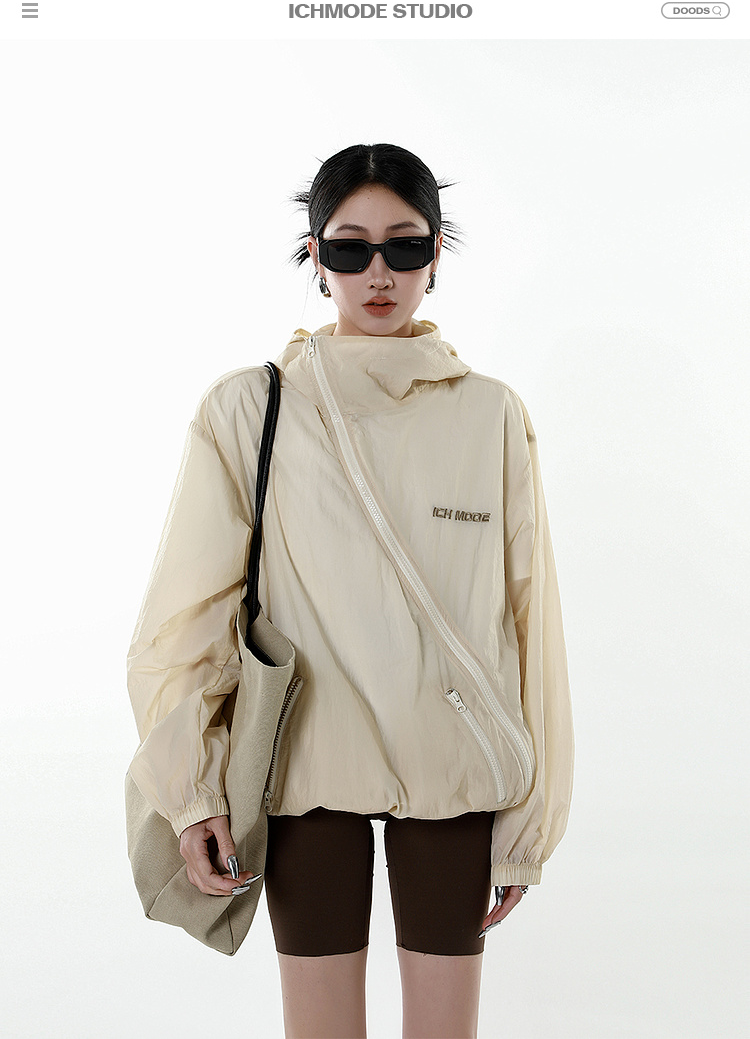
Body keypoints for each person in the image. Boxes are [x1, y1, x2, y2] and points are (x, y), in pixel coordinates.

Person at [126, 143, 574, 1039]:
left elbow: (532, 622)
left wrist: (531, 825)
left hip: (451, 767)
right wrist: (193, 790)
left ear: (436, 254)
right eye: (350, 247)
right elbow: (185, 618)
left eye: (404, 246)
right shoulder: (249, 407)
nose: (379, 273)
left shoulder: (490, 411)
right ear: (315, 255)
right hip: (306, 763)